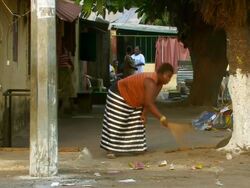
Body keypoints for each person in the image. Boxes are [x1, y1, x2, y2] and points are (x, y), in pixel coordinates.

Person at [100, 63, 182, 158]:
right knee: (116, 122)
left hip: (134, 98)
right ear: (161, 73)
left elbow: (150, 101)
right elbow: (148, 103)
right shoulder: (150, 81)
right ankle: (110, 149)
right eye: (168, 76)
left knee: (138, 122)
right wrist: (162, 118)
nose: (169, 80)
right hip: (118, 94)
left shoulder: (159, 85)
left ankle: (137, 148)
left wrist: (144, 115)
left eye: (170, 77)